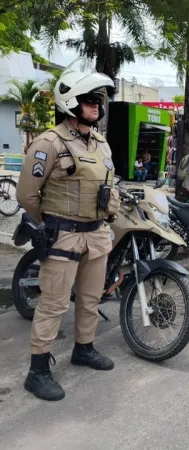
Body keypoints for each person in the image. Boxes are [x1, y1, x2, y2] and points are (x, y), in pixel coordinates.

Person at [15, 61, 121, 401]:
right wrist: (49, 225)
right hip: (64, 236)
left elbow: (109, 185)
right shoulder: (49, 142)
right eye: (90, 99)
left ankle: (84, 348)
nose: (96, 106)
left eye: (99, 100)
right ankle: (38, 371)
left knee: (91, 298)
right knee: (53, 304)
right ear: (70, 102)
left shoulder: (101, 144)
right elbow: (27, 195)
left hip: (97, 235)